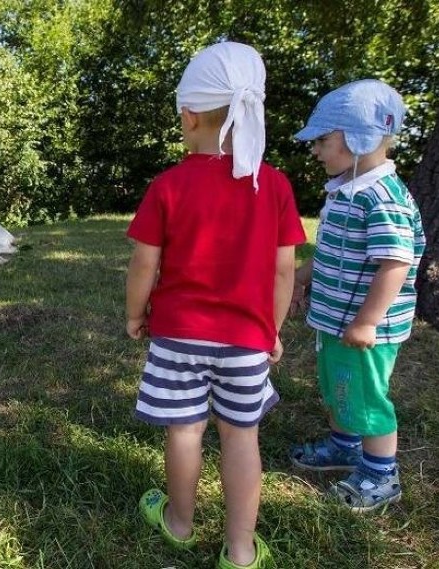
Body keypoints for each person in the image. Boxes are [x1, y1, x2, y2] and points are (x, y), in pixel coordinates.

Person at [126, 42, 306, 569]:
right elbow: (283, 270)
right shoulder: (273, 185)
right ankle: (241, 549)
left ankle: (179, 523)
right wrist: (271, 331)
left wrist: (136, 314)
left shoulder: (168, 185)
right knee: (241, 437)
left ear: (189, 115)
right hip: (247, 341)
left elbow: (144, 264)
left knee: (184, 431)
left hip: (178, 336)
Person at [289, 79, 426, 512]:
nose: (316, 151)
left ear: (358, 138)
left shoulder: (381, 196)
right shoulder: (346, 190)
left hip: (367, 328)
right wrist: (302, 276)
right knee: (338, 387)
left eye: (323, 140)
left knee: (365, 395)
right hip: (336, 319)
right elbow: (332, 251)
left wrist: (368, 320)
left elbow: (395, 262)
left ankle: (382, 473)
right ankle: (345, 446)